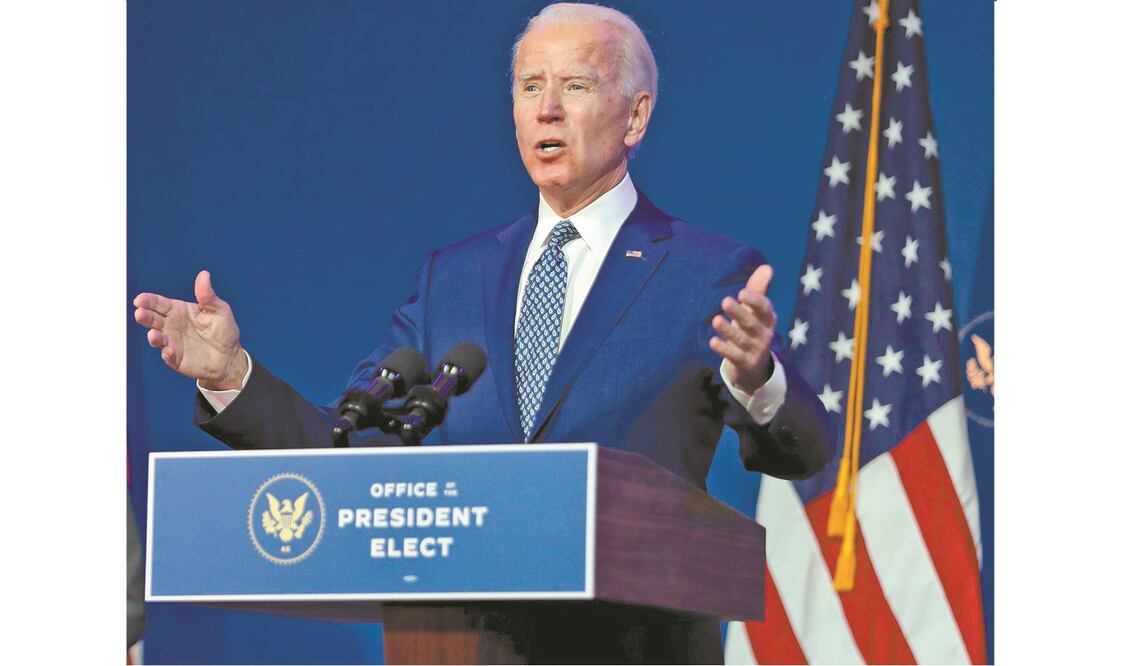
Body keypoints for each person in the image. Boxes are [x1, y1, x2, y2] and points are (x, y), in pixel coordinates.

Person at [132, 3, 832, 662]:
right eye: (530, 87)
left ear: (635, 115)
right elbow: (344, 448)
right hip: (459, 645)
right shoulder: (454, 279)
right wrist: (229, 376)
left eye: (575, 85)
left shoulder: (703, 273)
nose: (546, 108)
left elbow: (803, 451)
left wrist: (756, 381)